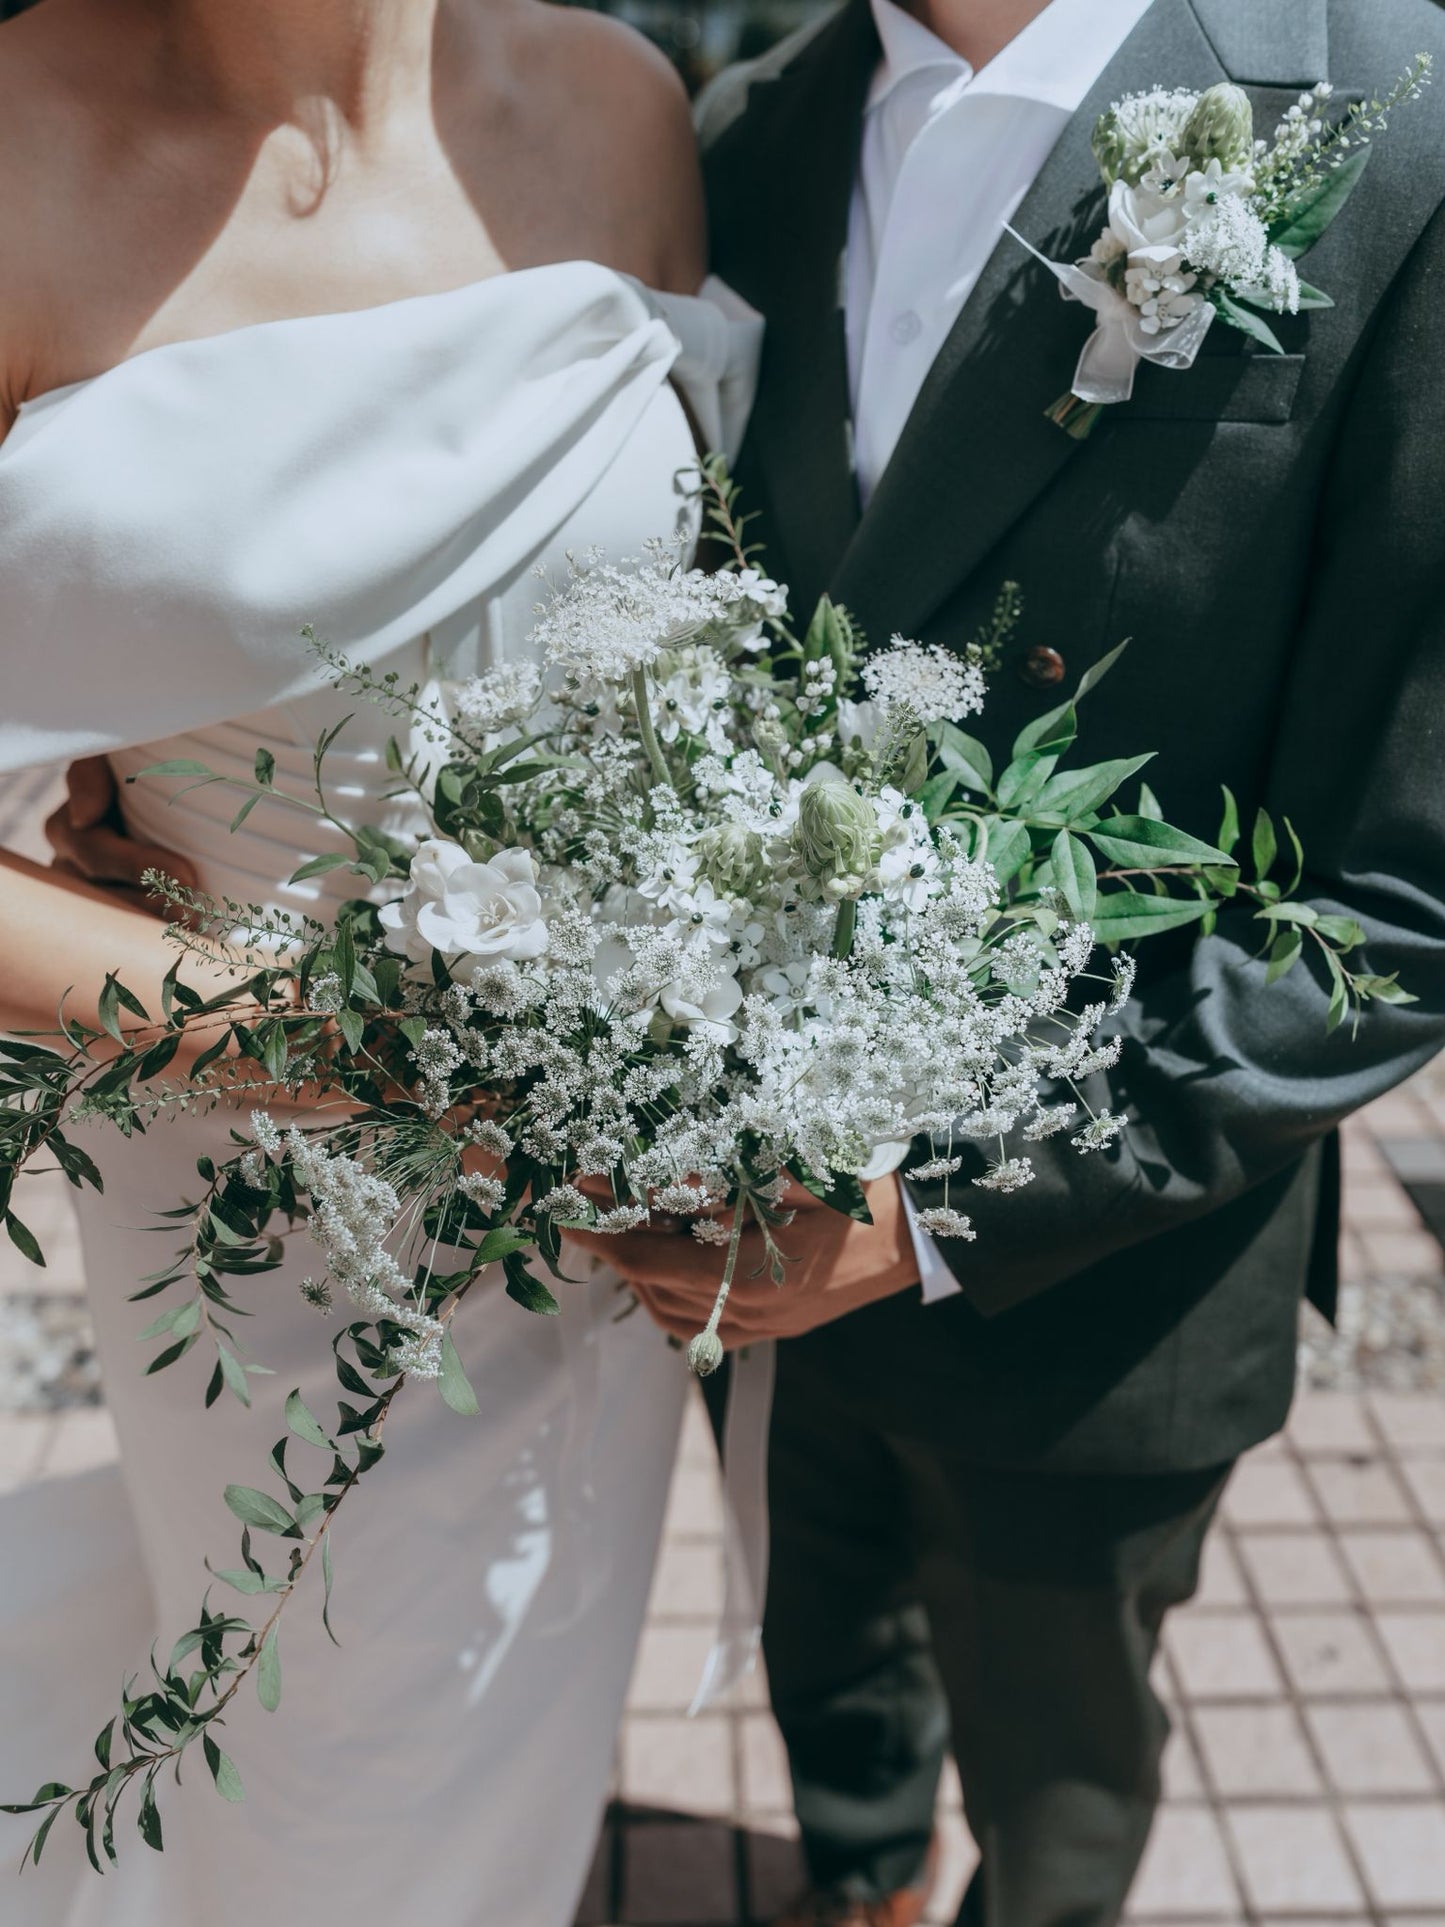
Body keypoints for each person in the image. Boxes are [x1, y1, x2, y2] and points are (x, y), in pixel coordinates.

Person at [567, 0, 1445, 1922]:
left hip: (1102, 1273)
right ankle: (860, 1883)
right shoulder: (744, 132)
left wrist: (934, 1208)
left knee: (1056, 1782)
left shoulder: (1399, 118)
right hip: (746, 1193)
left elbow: (1400, 898)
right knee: (822, 1659)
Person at [0, 0, 759, 1921]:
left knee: (523, 1691)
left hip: (589, 1189)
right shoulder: (16, 151)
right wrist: (330, 1044)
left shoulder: (616, 106)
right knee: (317, 1742)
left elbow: (698, 631)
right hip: (244, 1186)